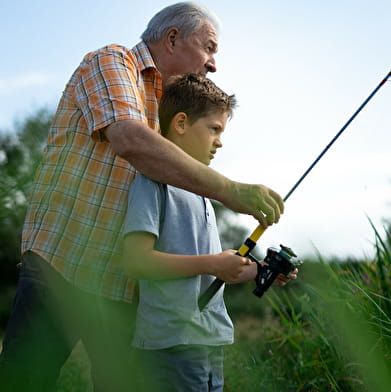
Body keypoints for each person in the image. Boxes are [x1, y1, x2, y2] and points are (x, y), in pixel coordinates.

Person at [0, 2, 285, 392]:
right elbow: (129, 139)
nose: (213, 63)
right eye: (210, 47)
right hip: (62, 264)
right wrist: (231, 192)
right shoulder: (112, 62)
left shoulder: (167, 108)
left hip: (120, 286)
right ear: (172, 38)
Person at [123, 73, 297, 392]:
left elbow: (214, 272)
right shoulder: (151, 183)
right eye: (214, 129)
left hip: (207, 342)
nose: (220, 141)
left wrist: (262, 271)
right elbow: (137, 261)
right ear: (180, 124)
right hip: (172, 346)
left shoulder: (203, 191)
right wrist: (212, 263)